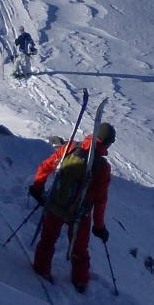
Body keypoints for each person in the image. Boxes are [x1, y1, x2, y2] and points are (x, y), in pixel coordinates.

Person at [30, 122, 115, 291]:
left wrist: (38, 188)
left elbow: (46, 166)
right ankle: (80, 281)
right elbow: (100, 200)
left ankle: (41, 269)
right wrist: (99, 227)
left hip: (56, 204)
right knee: (80, 249)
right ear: (107, 143)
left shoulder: (70, 147)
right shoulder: (102, 167)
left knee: (48, 239)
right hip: (80, 214)